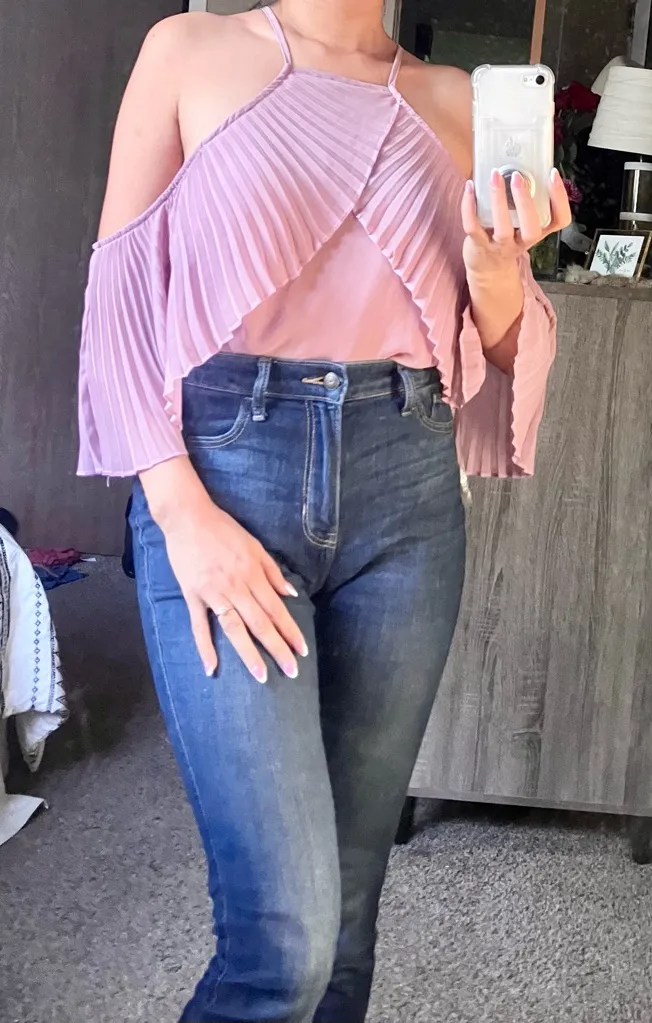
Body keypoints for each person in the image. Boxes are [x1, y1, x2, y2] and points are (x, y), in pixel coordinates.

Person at [77, 2, 571, 1020]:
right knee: (285, 945)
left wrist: (495, 266)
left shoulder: (453, 98)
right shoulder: (190, 51)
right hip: (225, 475)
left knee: (347, 920)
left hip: (407, 490)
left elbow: (498, 345)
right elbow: (120, 298)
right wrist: (179, 511)